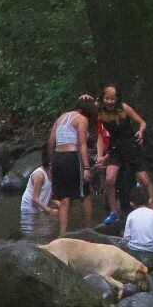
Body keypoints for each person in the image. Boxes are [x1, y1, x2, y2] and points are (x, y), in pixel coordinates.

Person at [97, 85, 153, 228]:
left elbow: (142, 123)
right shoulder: (99, 109)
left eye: (112, 99)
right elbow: (84, 104)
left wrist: (140, 132)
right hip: (115, 146)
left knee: (144, 179)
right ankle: (114, 211)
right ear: (103, 99)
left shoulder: (124, 108)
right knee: (109, 180)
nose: (109, 102)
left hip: (130, 144)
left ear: (117, 99)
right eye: (107, 99)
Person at [45, 98, 92, 236]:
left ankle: (62, 233)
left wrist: (52, 161)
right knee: (85, 193)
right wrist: (87, 167)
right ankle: (89, 229)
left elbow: (50, 142)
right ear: (86, 111)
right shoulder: (81, 119)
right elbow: (82, 144)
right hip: (73, 157)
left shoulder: (60, 118)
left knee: (64, 197)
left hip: (58, 158)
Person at [19, 155, 55, 238]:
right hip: (29, 209)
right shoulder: (39, 175)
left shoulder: (51, 173)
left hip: (39, 207)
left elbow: (46, 193)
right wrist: (49, 210)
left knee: (46, 230)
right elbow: (34, 198)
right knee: (35, 234)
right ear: (50, 163)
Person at [122, 182, 153, 255]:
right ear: (150, 201)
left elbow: (126, 237)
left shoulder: (131, 215)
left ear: (131, 203)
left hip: (133, 248)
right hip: (152, 249)